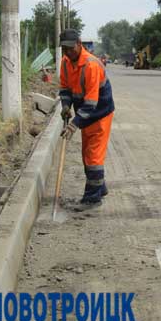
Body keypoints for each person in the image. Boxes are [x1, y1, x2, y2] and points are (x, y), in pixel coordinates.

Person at [59, 29, 115, 209]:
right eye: (64, 49)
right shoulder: (65, 63)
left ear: (79, 43)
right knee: (87, 156)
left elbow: (91, 103)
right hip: (86, 115)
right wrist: (66, 106)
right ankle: (100, 188)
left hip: (100, 113)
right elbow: (65, 88)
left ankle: (92, 199)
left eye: (70, 48)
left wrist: (73, 125)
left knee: (93, 157)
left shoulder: (91, 65)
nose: (68, 52)